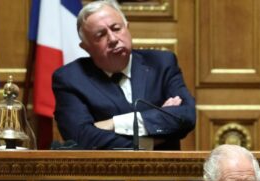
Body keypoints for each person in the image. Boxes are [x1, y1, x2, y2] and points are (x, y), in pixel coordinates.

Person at [52, 0, 195, 150]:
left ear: (127, 27)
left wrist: (112, 124)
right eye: (100, 35)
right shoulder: (70, 78)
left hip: (163, 170)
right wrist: (149, 141)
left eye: (116, 28)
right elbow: (80, 138)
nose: (113, 39)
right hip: (104, 171)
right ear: (86, 47)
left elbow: (185, 116)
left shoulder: (162, 63)